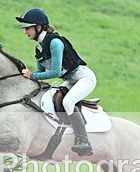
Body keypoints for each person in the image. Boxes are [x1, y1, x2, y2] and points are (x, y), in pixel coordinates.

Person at [16, 8, 95, 156]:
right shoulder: (39, 47)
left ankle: (83, 140)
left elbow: (55, 72)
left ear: (38, 27)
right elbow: (42, 73)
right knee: (54, 99)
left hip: (84, 78)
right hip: (70, 80)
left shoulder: (55, 43)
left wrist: (32, 75)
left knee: (68, 102)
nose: (25, 32)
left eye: (28, 28)